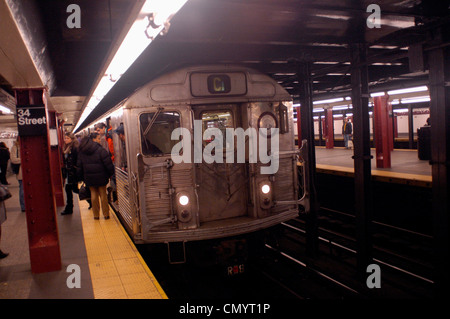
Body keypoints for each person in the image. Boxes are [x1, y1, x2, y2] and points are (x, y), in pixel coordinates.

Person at [77, 133, 114, 220]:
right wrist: (110, 174)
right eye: (98, 138)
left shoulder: (82, 151)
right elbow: (108, 164)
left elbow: (79, 166)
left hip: (89, 178)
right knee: (103, 195)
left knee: (93, 195)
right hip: (102, 176)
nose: (99, 140)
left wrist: (81, 178)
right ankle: (106, 214)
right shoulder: (100, 150)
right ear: (93, 140)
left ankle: (96, 215)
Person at [61, 133, 79, 215]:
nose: (65, 140)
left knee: (73, 189)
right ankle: (69, 208)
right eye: (65, 138)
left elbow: (77, 160)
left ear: (71, 139)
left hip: (73, 172)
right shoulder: (67, 147)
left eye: (67, 138)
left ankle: (90, 199)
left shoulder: (74, 148)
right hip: (69, 172)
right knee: (70, 189)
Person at [10, 138, 25, 212]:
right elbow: (13, 159)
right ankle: (23, 206)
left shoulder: (26, 146)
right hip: (20, 171)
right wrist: (23, 159)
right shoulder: (15, 147)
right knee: (22, 189)